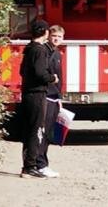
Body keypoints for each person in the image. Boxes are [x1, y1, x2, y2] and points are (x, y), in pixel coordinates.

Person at [20, 20, 57, 178]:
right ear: (46, 33)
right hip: (37, 94)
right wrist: (52, 78)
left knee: (28, 130)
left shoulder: (28, 48)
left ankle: (27, 164)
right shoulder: (41, 50)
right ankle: (31, 166)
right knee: (36, 130)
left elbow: (23, 71)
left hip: (28, 93)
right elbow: (40, 73)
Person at [36, 25, 64, 178]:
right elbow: (44, 74)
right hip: (45, 97)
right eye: (54, 36)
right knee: (43, 132)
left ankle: (42, 163)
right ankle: (40, 164)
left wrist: (60, 97)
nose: (56, 39)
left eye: (59, 37)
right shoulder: (44, 52)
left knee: (49, 133)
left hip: (54, 97)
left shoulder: (57, 53)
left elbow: (60, 77)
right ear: (48, 36)